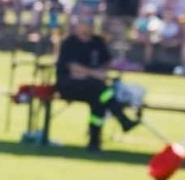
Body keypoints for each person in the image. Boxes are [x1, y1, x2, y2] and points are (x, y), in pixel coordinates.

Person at [55, 17, 138, 150]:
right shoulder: (69, 43)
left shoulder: (97, 42)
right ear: (78, 26)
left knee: (99, 101)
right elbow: (72, 67)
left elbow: (107, 61)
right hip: (69, 86)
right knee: (100, 88)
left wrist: (100, 71)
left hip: (92, 87)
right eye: (86, 23)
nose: (89, 27)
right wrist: (94, 73)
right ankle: (122, 119)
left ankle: (94, 142)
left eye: (91, 24)